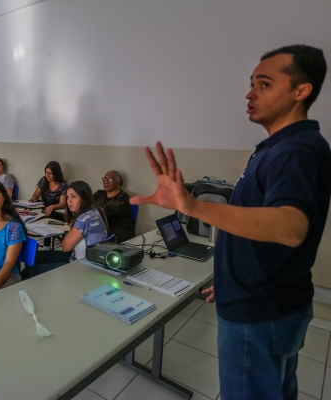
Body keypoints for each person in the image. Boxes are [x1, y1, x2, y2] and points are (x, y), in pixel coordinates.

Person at [130, 45, 329, 400]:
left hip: (260, 312)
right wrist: (231, 280)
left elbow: (289, 227)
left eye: (265, 84)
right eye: (252, 83)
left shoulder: (295, 150)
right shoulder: (276, 147)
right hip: (263, 298)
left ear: (302, 91)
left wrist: (192, 206)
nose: (250, 93)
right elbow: (257, 229)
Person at [22, 181, 108, 279]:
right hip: (84, 258)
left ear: (84, 197)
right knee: (35, 257)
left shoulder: (85, 218)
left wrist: (73, 225)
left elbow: (65, 247)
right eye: (67, 197)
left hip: (80, 266)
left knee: (27, 271)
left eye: (73, 196)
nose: (69, 201)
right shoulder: (94, 210)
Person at [93, 170, 135, 243]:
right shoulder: (99, 193)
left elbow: (105, 212)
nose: (106, 182)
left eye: (110, 179)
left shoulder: (123, 197)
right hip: (102, 227)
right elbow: (86, 204)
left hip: (120, 231)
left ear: (119, 182)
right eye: (104, 179)